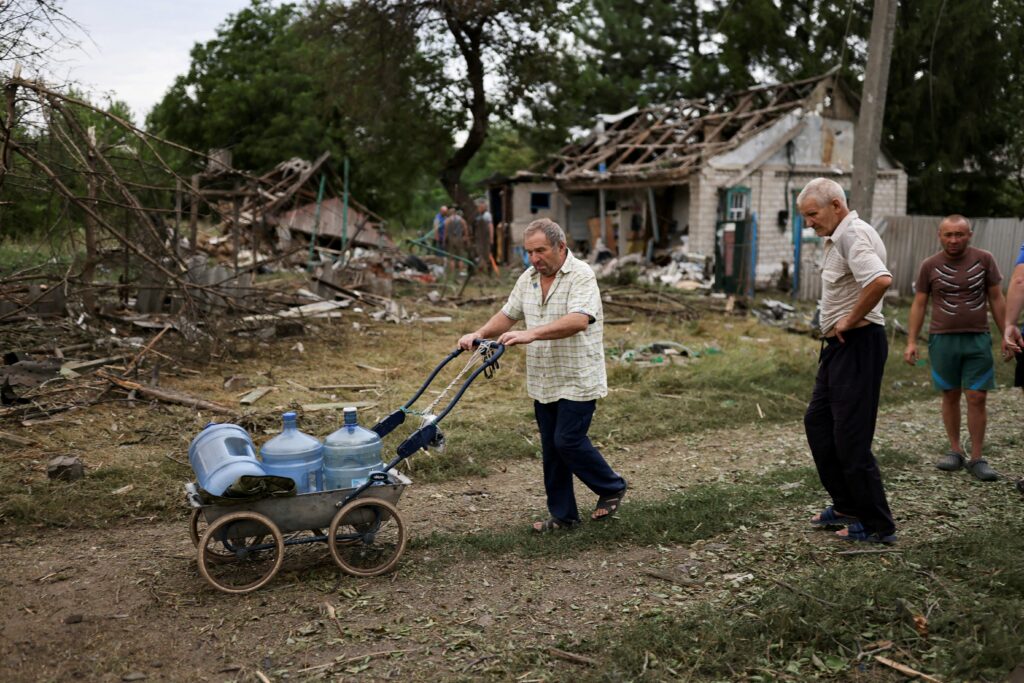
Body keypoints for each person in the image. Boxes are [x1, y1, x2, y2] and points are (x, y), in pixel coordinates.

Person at [457, 218, 627, 532]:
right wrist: (478, 333)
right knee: (551, 447)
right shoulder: (528, 278)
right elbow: (508, 314)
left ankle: (611, 486)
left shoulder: (581, 275)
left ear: (561, 247)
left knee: (567, 441)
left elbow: (579, 320)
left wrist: (532, 334)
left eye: (541, 251)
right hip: (543, 378)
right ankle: (563, 517)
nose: (534, 258)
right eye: (529, 252)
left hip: (577, 375)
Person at [798, 178, 897, 544]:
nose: (808, 222)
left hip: (858, 343)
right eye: (804, 216)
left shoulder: (853, 234)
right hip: (839, 348)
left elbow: (881, 280)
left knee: (850, 438)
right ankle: (847, 505)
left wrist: (851, 318)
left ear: (837, 206)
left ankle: (877, 525)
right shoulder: (839, 237)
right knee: (819, 425)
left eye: (812, 214)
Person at [904, 216, 1005, 481]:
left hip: (978, 338)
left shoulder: (985, 260)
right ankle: (955, 450)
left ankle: (977, 457)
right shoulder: (930, 265)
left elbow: (996, 296)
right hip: (942, 339)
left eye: (959, 234)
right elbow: (919, 303)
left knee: (977, 396)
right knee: (950, 394)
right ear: (939, 235)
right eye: (948, 235)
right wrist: (912, 341)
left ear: (969, 235)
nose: (954, 240)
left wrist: (1007, 332)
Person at [472, 197, 494, 272]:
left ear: (482, 207)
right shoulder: (478, 216)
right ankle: (481, 270)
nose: (478, 208)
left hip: (485, 239)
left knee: (486, 255)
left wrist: (491, 238)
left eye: (479, 207)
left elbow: (490, 226)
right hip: (480, 239)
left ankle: (487, 270)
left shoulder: (487, 215)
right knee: (480, 254)